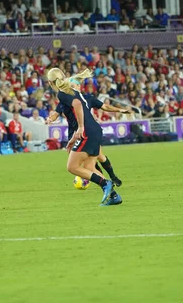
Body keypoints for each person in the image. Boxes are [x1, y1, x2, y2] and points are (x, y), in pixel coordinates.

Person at [47, 68, 120, 206]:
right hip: (94, 130)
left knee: (72, 167)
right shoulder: (69, 92)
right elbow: (70, 108)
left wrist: (80, 128)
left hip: (86, 132)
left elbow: (77, 105)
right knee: (89, 168)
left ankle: (106, 184)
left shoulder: (63, 94)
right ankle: (113, 196)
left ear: (50, 83)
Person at [46, 78, 131, 187]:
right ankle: (103, 182)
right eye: (70, 85)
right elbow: (57, 113)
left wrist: (118, 110)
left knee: (98, 156)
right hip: (75, 133)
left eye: (74, 85)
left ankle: (112, 178)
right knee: (89, 162)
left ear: (79, 87)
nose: (72, 87)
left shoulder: (87, 99)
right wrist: (50, 119)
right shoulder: (65, 100)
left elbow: (104, 106)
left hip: (86, 132)